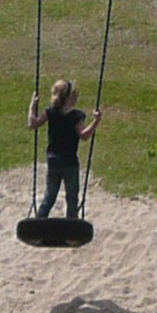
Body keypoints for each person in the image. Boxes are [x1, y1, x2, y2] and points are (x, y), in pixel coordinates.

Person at [28, 77, 99, 218]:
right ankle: (72, 223)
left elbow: (32, 124)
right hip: (70, 163)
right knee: (72, 198)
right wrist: (96, 121)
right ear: (68, 98)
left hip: (53, 161)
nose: (76, 98)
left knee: (50, 196)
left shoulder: (51, 112)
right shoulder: (77, 116)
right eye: (74, 95)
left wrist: (32, 105)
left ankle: (40, 220)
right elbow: (84, 135)